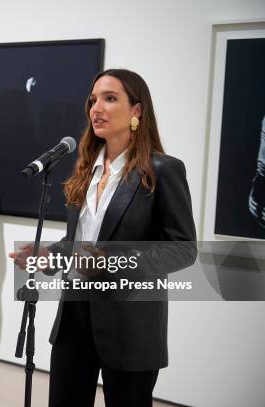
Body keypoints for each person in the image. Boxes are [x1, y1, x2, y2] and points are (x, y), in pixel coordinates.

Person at [11, 69, 196, 406]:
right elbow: (78, 243)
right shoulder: (84, 168)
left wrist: (112, 261)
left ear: (137, 111)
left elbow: (183, 250)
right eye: (93, 100)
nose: (97, 108)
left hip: (131, 324)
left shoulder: (163, 170)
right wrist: (48, 254)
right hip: (74, 317)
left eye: (110, 99)